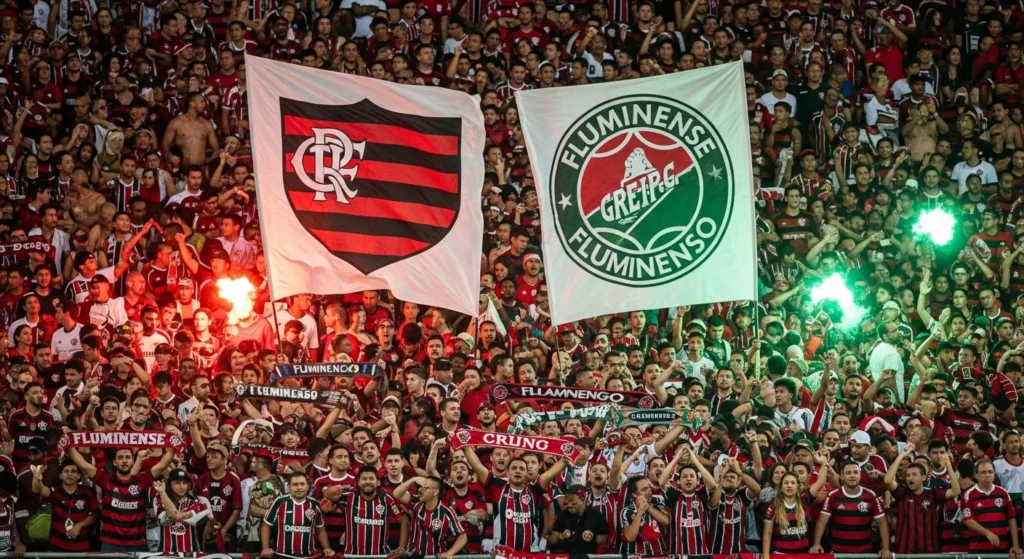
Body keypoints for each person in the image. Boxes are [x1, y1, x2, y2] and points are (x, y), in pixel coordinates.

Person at [260, 472, 335, 558]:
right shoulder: (280, 502)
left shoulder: (314, 504)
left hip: (308, 556)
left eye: (302, 484)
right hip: (282, 555)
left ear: (307, 487)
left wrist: (327, 548)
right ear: (289, 487)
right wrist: (265, 548)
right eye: (295, 484)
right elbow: (266, 525)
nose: (299, 487)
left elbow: (320, 529)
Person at [547, 484, 610, 553]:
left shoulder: (596, 516)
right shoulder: (563, 515)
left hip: (587, 556)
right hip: (567, 555)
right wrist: (561, 536)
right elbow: (552, 540)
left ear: (583, 499)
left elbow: (602, 543)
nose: (569, 505)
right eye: (567, 502)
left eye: (572, 501)